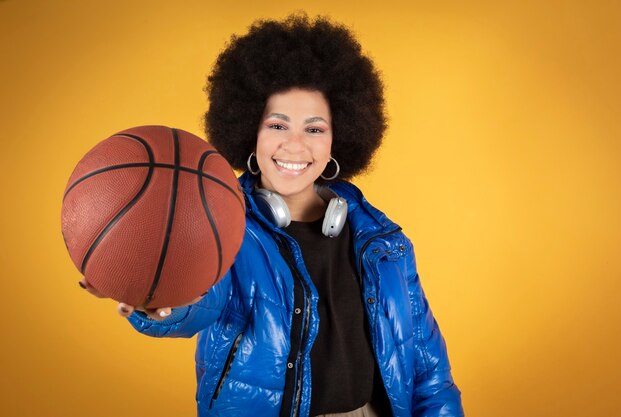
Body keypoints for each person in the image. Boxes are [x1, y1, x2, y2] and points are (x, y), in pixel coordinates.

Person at [81, 14, 463, 417]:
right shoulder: (220, 227)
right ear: (251, 133)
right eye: (278, 125)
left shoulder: (385, 244)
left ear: (338, 139)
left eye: (314, 129)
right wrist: (156, 298)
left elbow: (429, 372)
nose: (294, 145)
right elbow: (200, 302)